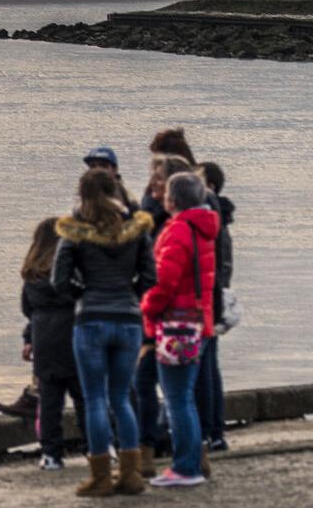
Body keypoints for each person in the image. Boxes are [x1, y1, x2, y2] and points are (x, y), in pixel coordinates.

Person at [0, 145, 124, 422]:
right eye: (91, 165)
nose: (95, 170)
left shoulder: (121, 209)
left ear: (114, 171)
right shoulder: (84, 212)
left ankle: (108, 440)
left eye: (102, 165)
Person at [53, 166, 156, 497]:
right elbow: (150, 277)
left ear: (83, 195)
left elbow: (59, 279)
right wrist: (131, 296)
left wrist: (81, 295)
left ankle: (100, 476)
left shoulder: (76, 231)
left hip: (92, 319)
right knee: (121, 397)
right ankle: (131, 474)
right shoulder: (137, 229)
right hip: (127, 319)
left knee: (95, 398)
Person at [144, 171, 219, 487]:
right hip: (198, 323)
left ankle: (185, 467)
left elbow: (165, 281)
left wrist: (146, 306)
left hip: (176, 325)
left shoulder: (177, 231)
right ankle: (190, 464)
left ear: (173, 200)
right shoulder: (203, 229)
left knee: (177, 399)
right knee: (184, 397)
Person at [21, 216, 84, 470]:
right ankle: (94, 446)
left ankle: (50, 453)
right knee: (83, 398)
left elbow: (27, 309)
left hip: (44, 340)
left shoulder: (31, 275)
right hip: (71, 335)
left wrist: (29, 338)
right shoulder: (69, 273)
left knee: (49, 401)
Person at [197, 162, 235, 451]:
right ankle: (214, 432)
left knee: (201, 370)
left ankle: (206, 433)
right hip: (211, 302)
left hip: (202, 304)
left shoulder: (209, 221)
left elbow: (217, 266)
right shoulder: (218, 219)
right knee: (209, 368)